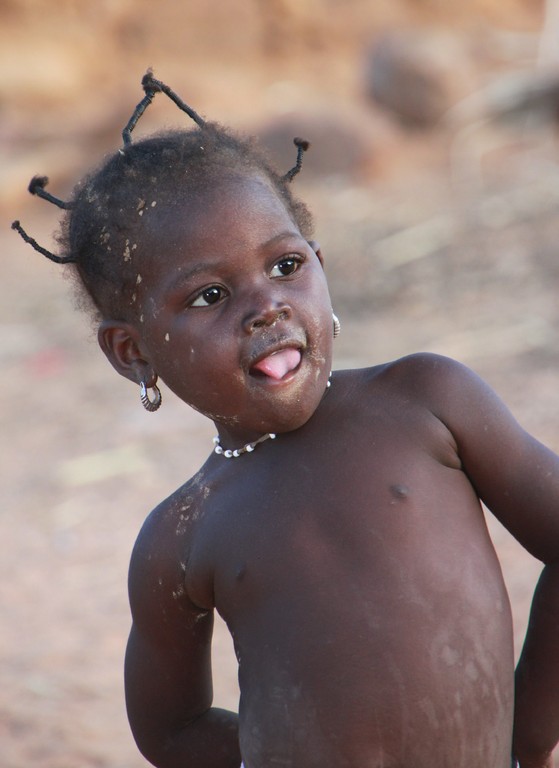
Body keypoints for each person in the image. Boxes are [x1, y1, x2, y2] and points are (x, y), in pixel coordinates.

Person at [13, 71, 559, 768]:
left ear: (321, 267)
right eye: (209, 295)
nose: (266, 306)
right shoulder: (180, 536)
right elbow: (170, 730)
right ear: (132, 351)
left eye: (285, 264)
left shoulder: (428, 401)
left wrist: (528, 730)